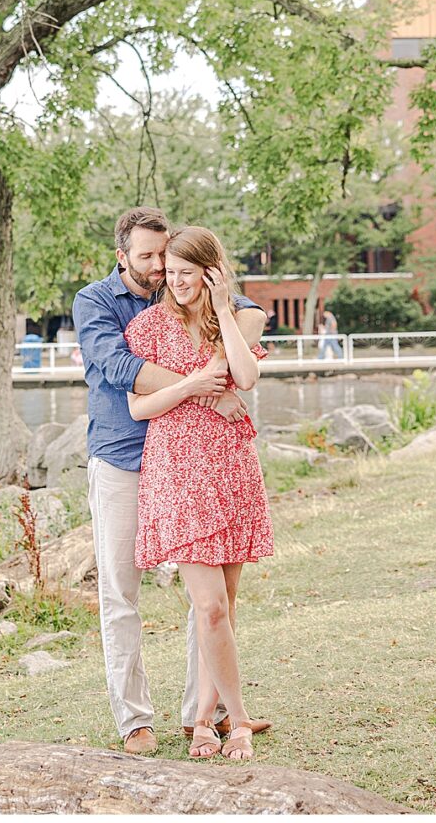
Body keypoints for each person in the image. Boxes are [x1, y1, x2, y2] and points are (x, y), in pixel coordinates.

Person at [73, 207, 271, 756]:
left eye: (167, 256)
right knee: (120, 593)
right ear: (122, 257)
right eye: (148, 258)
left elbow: (250, 313)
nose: (160, 268)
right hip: (122, 457)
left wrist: (228, 334)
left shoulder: (184, 289)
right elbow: (117, 368)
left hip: (195, 463)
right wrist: (209, 385)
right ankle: (134, 718)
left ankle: (199, 714)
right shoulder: (98, 303)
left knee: (205, 597)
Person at [126, 227, 273, 761]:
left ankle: (206, 723)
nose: (176, 281)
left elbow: (247, 375)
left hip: (232, 466)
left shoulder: (228, 322)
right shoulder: (147, 327)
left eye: (188, 273)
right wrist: (193, 386)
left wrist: (222, 310)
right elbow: (139, 408)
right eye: (170, 272)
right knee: (207, 606)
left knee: (226, 608)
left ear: (210, 272)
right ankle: (238, 720)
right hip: (179, 474)